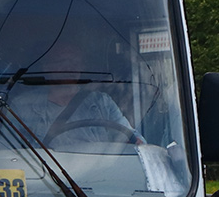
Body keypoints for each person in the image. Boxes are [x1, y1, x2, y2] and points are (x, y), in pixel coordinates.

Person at [8, 41, 136, 151]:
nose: (69, 67)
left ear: (82, 66)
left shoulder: (101, 102)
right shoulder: (22, 107)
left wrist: (137, 144)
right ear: (46, 67)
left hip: (99, 174)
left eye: (75, 62)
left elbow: (131, 138)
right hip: (47, 177)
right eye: (62, 61)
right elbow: (7, 156)